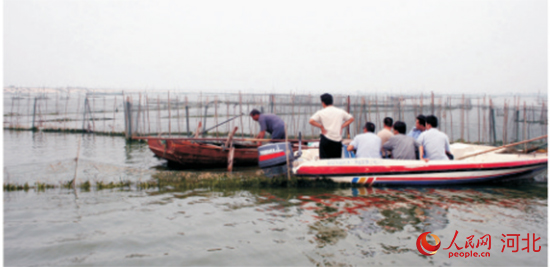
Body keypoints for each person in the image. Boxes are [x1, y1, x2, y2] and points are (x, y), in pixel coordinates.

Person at [309, 93, 354, 159]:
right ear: (332, 101)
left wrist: (321, 126)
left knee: (324, 162)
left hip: (325, 139)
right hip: (337, 140)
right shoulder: (340, 111)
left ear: (323, 103)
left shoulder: (321, 112)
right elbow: (351, 119)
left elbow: (311, 121)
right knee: (336, 162)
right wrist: (342, 126)